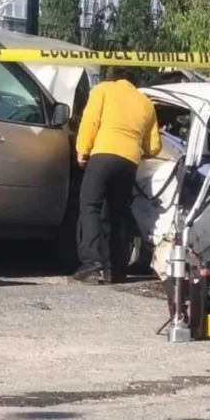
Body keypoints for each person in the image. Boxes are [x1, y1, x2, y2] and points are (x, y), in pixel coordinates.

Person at [73, 68, 162, 285]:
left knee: (90, 206)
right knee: (118, 212)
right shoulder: (145, 103)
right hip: (129, 162)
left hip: (103, 155)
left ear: (113, 78)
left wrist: (82, 151)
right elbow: (154, 146)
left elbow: (90, 122)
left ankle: (91, 265)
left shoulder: (103, 89)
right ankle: (117, 269)